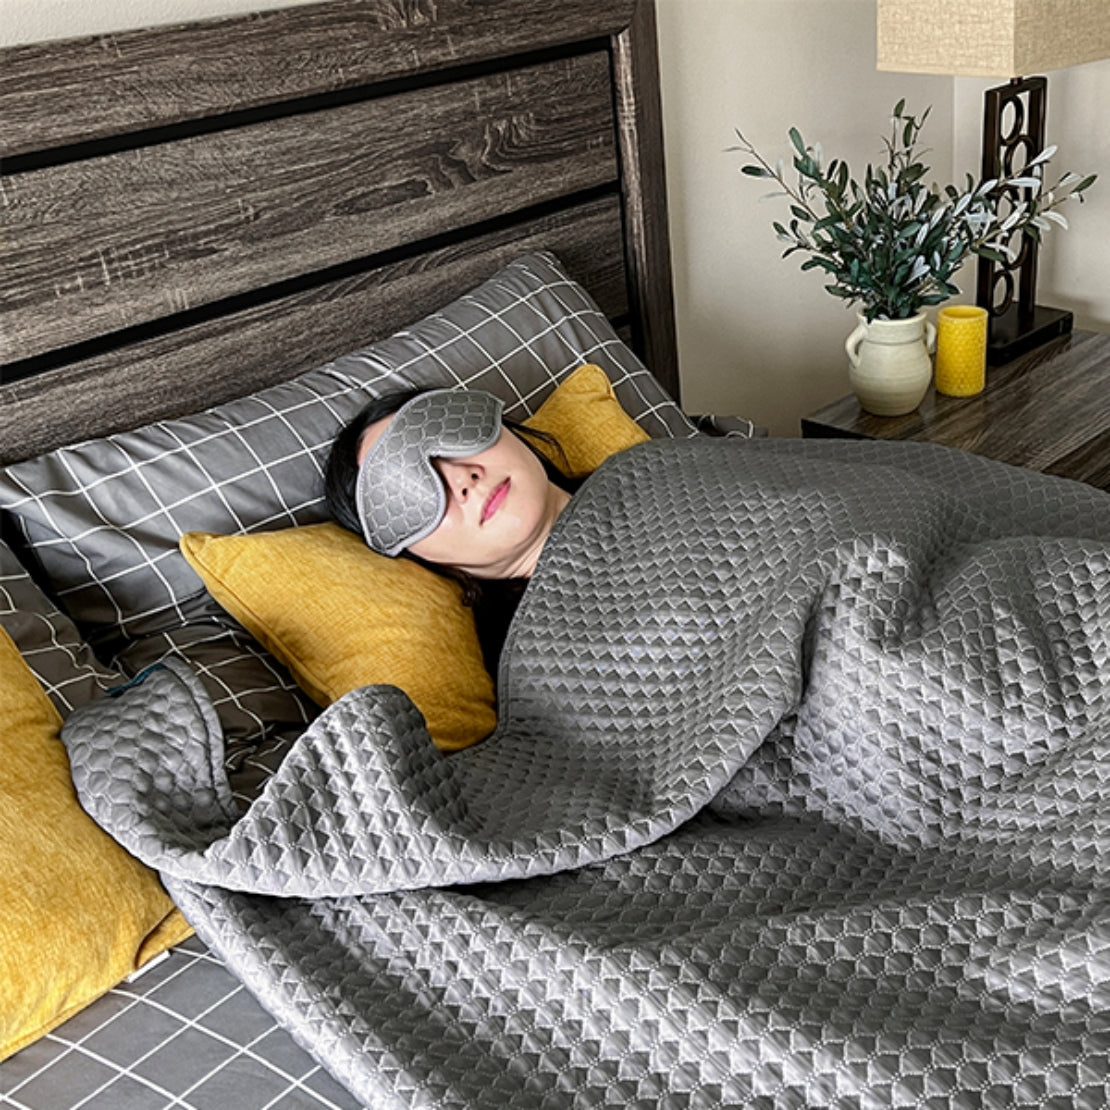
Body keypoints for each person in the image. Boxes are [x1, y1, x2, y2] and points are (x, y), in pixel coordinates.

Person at [325, 388, 579, 669]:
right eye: (406, 495)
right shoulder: (538, 668)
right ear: (415, 554)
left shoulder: (634, 466)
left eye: (454, 431)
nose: (462, 479)